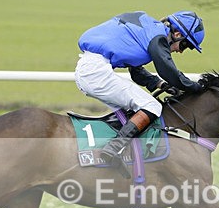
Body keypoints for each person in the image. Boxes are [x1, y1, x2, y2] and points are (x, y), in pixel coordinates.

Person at [75, 10, 206, 177]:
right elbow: (168, 70)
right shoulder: (157, 38)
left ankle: (121, 152)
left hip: (92, 69)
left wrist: (160, 84)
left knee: (134, 110)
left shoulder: (148, 29)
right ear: (177, 34)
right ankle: (113, 149)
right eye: (185, 45)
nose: (181, 51)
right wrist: (197, 88)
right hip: (95, 72)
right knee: (152, 106)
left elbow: (136, 72)